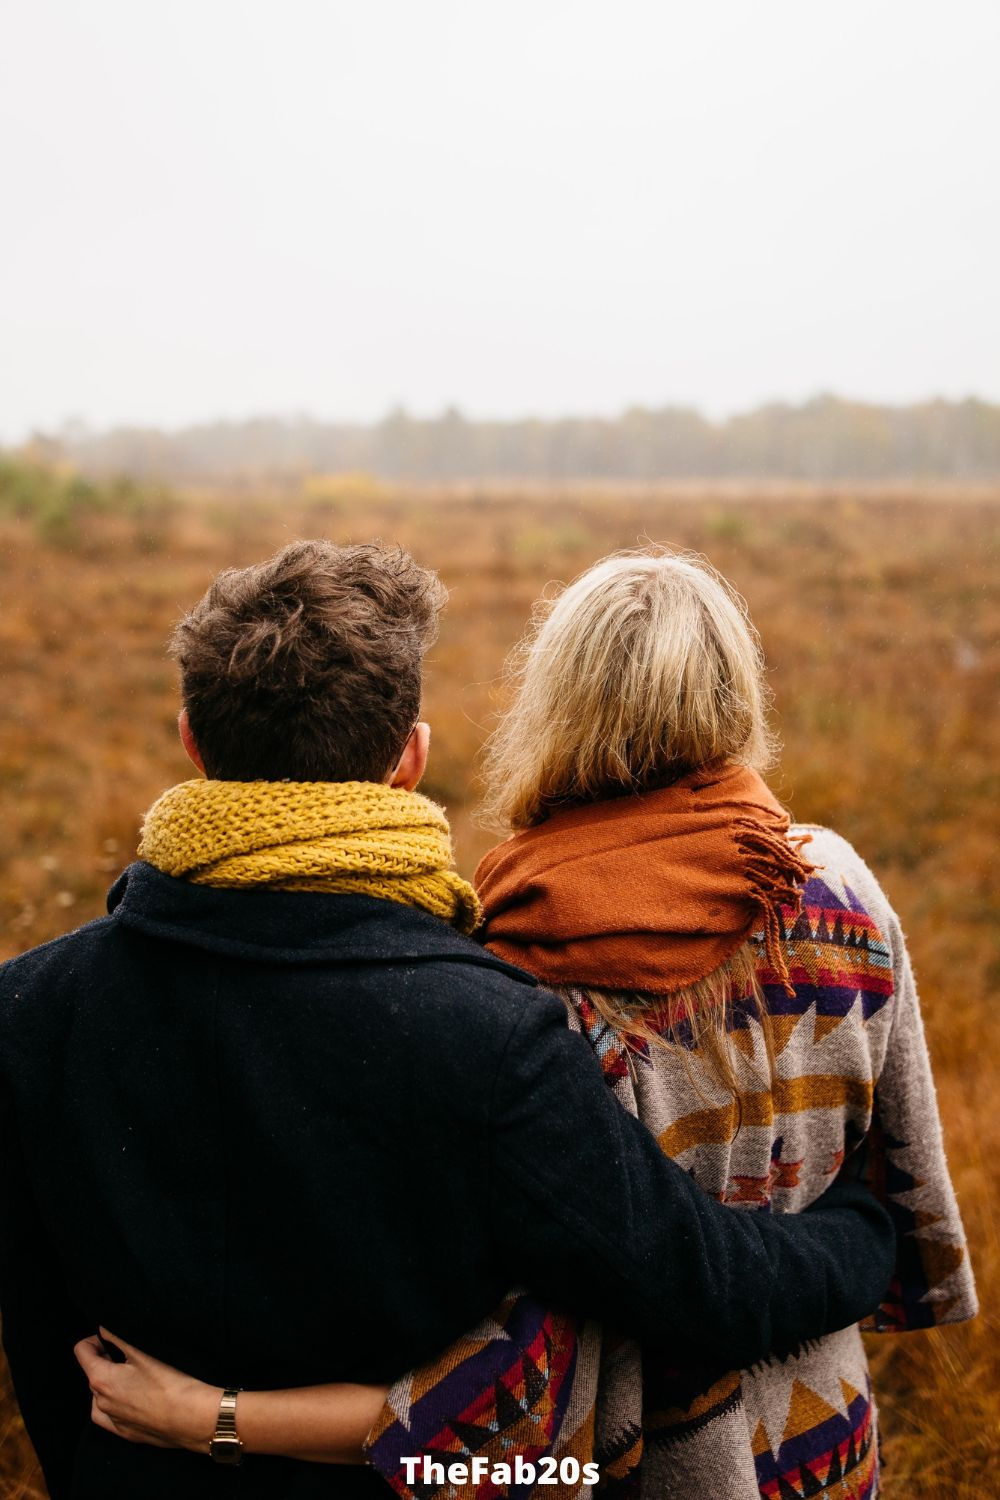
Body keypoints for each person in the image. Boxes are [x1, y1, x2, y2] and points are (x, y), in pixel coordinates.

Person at [0, 540, 893, 1500]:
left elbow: (45, 1346)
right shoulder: (489, 1029)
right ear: (410, 759)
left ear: (190, 738)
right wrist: (864, 1239)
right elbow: (695, 1283)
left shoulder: (29, 1007)